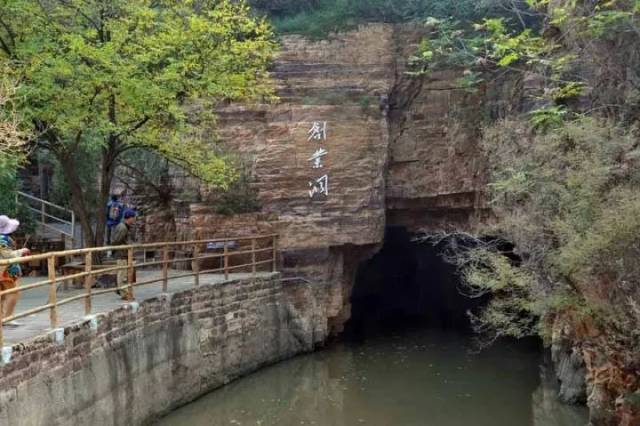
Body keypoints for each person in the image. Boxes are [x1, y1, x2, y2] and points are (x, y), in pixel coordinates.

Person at [0, 215, 30, 326]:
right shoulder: (2, 239)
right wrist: (21, 251)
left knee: (2, 295)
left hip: (4, 269)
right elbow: (7, 255)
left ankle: (3, 318)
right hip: (5, 270)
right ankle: (8, 318)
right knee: (13, 293)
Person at [111, 209, 136, 300]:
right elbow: (116, 241)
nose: (134, 220)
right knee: (122, 273)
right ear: (129, 218)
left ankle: (121, 289)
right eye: (133, 218)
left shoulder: (127, 227)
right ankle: (123, 292)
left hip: (125, 253)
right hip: (121, 253)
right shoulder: (123, 227)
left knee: (123, 273)